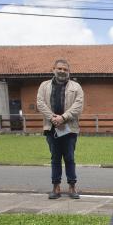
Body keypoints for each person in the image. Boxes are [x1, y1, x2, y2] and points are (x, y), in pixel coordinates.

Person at [37, 59, 84, 199]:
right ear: (53, 69)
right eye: (60, 68)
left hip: (69, 128)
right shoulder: (44, 86)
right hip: (51, 128)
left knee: (69, 158)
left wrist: (63, 118)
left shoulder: (76, 87)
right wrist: (53, 118)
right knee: (55, 158)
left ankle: (72, 187)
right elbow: (40, 103)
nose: (62, 71)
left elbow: (78, 105)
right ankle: (56, 188)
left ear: (69, 71)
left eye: (65, 69)